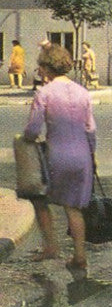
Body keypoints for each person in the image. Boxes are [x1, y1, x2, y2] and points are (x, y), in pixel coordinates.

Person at [23, 41, 96, 272]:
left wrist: (26, 138)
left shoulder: (44, 93)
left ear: (47, 67)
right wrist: (92, 155)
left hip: (57, 156)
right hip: (82, 155)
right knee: (73, 208)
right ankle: (80, 255)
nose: (40, 72)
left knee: (40, 200)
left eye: (41, 68)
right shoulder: (83, 93)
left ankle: (50, 246)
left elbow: (33, 129)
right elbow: (90, 129)